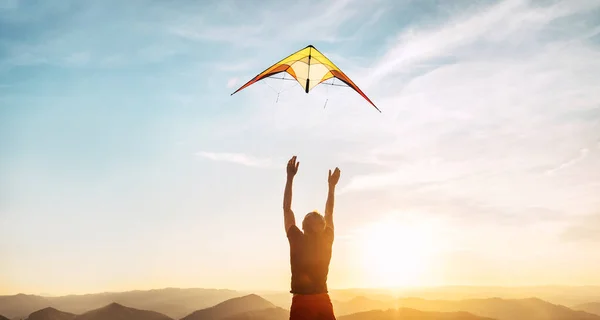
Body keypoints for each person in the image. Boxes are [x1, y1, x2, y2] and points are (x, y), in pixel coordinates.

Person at [283, 155, 340, 320]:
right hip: (322, 300)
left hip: (301, 302)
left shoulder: (297, 238)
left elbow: (287, 209)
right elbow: (329, 211)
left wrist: (289, 178)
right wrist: (331, 187)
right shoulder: (327, 239)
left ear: (302, 225)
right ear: (323, 227)